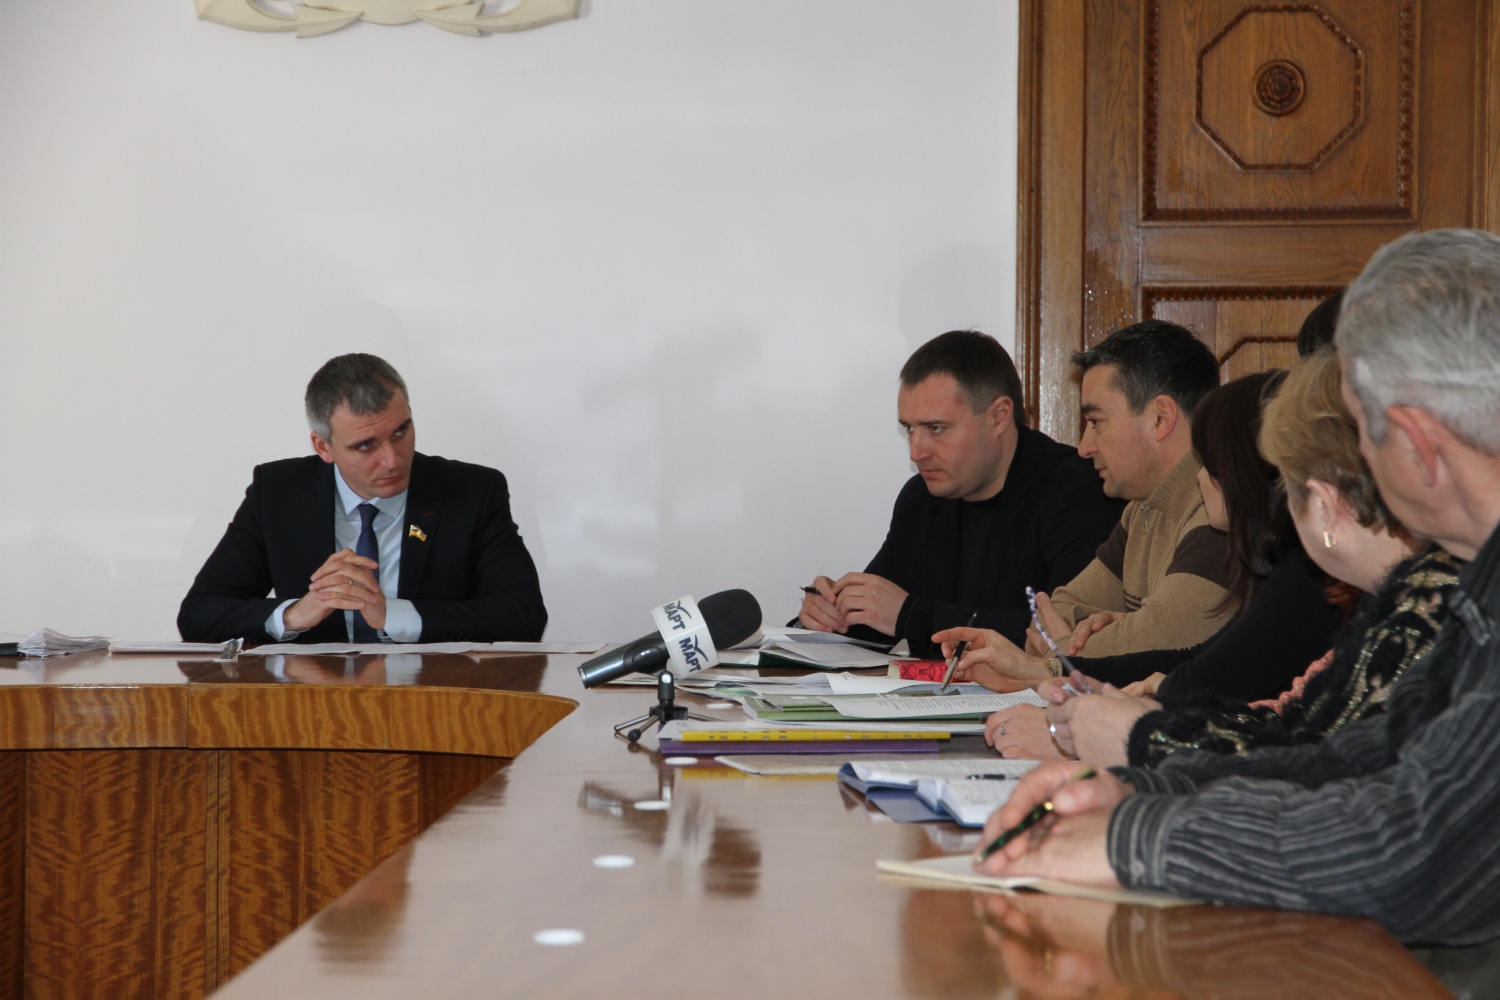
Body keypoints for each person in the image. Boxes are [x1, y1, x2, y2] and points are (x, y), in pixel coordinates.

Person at [975, 228, 1500, 946]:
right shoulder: (1473, 584)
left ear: (1417, 443)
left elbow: (1410, 855)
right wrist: (1140, 789)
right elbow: (1351, 764)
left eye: (1361, 431)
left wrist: (1131, 836)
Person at [1038, 354, 1461, 767]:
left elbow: (1319, 765)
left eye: (1289, 486)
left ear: (1323, 501)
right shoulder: (1396, 598)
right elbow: (1294, 729)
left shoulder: (1422, 607)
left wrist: (1143, 736)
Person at [940, 370, 1345, 714]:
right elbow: (1193, 659)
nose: (1199, 476)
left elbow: (1201, 671)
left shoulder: (1307, 577)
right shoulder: (1144, 510)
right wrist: (1047, 668)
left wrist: (1063, 656)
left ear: (1248, 471)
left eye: (1210, 463)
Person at [178, 354, 547, 644]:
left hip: (436, 699)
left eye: (401, 432)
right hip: (315, 701)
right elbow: (199, 614)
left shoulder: (471, 491)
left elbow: (524, 614)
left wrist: (395, 615)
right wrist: (295, 614)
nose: (393, 460)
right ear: (324, 447)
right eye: (366, 445)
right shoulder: (278, 493)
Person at [796, 331, 1123, 658]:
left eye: (935, 428)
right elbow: (879, 616)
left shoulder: (1081, 491)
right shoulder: (920, 499)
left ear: (998, 417)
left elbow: (1068, 636)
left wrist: (911, 616)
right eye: (909, 428)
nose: (916, 452)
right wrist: (828, 614)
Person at [1037, 321, 1232, 657]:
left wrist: (1064, 649)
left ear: (1161, 418)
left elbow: (1161, 643)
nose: (1084, 448)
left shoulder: (1222, 512)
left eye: (1096, 422)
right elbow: (1047, 617)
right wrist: (1122, 628)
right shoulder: (1140, 509)